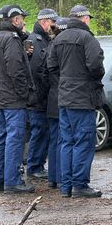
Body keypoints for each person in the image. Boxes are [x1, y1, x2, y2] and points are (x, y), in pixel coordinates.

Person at [48, 5, 105, 198]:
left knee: (66, 141)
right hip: (82, 98)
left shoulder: (59, 38)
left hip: (64, 97)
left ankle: (66, 185)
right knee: (83, 141)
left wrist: (65, 80)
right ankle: (80, 184)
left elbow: (51, 66)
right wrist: (91, 80)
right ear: (84, 18)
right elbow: (96, 65)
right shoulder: (87, 38)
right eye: (89, 17)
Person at [0, 4, 35, 193]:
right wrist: (23, 92)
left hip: (0, 96)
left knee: (1, 137)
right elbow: (16, 70)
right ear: (15, 20)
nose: (23, 21)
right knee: (15, 139)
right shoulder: (12, 39)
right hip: (13, 98)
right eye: (22, 17)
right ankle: (13, 181)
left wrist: (1, 85)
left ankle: (0, 179)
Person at [25, 8, 59, 180]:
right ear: (44, 22)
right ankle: (34, 166)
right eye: (53, 23)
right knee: (39, 132)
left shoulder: (43, 40)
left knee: (42, 131)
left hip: (41, 96)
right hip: (38, 97)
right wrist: (42, 93)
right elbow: (37, 71)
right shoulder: (36, 41)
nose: (55, 27)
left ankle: (38, 164)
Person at [46, 17, 69, 189]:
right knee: (62, 138)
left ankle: (54, 177)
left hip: (52, 97)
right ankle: (61, 177)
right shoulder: (61, 48)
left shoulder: (50, 46)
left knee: (55, 139)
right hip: (61, 97)